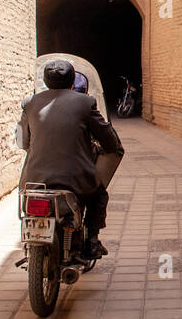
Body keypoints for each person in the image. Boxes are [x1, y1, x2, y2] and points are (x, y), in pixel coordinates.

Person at [17, 59, 121, 259]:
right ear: (73, 81)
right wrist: (109, 147)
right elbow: (107, 139)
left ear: (46, 82)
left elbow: (23, 141)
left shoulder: (29, 103)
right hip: (75, 178)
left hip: (35, 179)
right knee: (98, 194)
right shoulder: (85, 102)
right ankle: (92, 240)